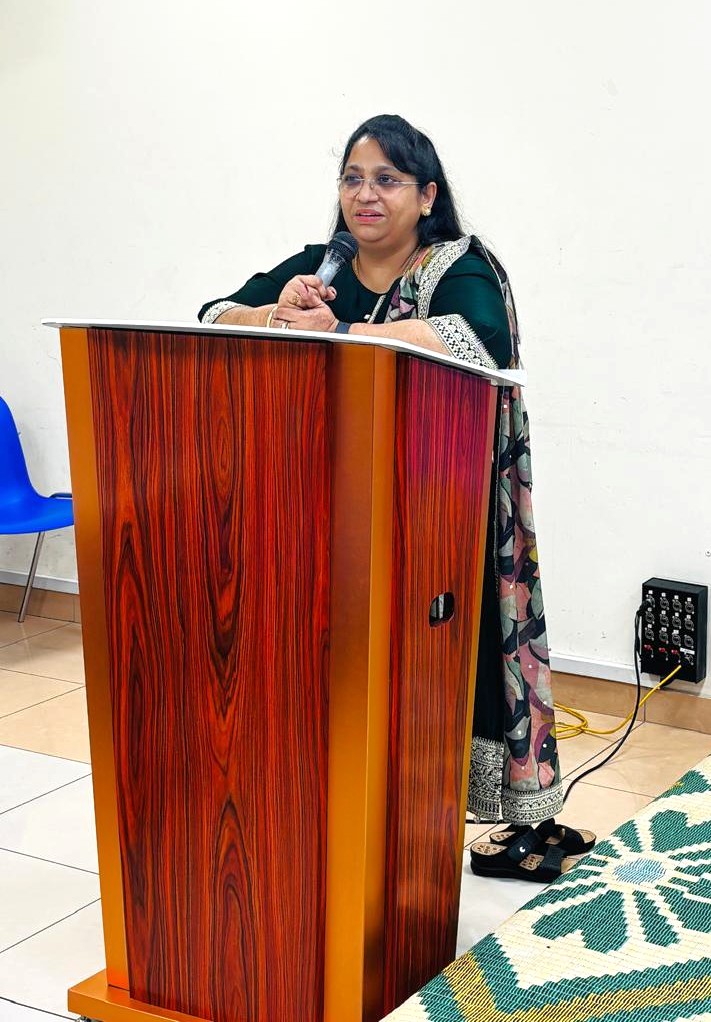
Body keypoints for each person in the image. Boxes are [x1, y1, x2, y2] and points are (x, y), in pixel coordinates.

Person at [198, 113, 564, 830]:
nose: (365, 195)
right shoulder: (322, 264)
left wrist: (339, 331)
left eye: (387, 180)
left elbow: (473, 339)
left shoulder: (456, 265)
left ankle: (420, 814)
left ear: (427, 196)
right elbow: (212, 312)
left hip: (433, 504)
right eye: (352, 179)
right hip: (321, 503)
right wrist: (276, 312)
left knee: (421, 665)